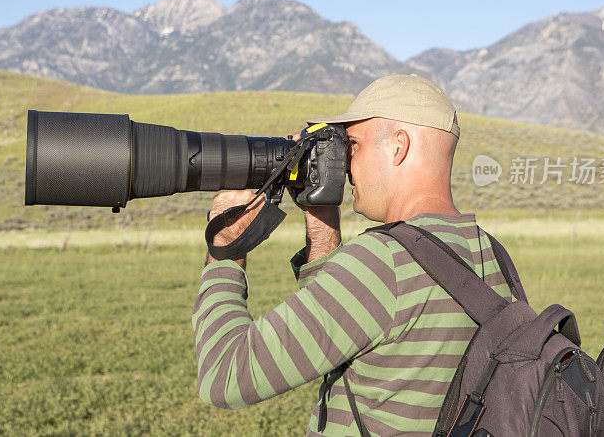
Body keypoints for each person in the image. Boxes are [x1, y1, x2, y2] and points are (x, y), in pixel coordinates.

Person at [192, 74, 524, 435]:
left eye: (353, 144)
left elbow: (224, 373)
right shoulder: (492, 255)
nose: (346, 165)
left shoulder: (384, 261)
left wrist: (226, 248)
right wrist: (321, 216)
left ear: (399, 146)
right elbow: (346, 331)